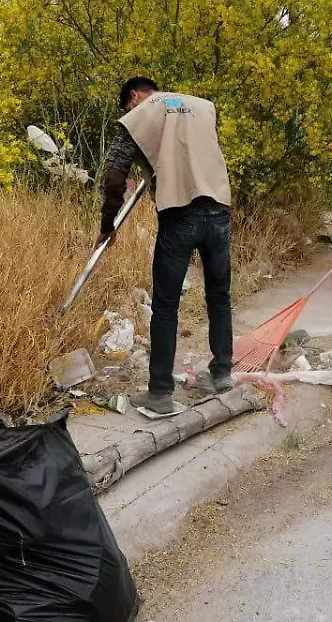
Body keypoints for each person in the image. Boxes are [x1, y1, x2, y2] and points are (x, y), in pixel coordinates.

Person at [100, 77, 234, 414]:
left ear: (133, 96)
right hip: (219, 212)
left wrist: (107, 225)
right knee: (219, 297)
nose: (129, 110)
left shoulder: (139, 115)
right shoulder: (204, 107)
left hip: (180, 216)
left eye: (126, 105)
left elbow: (115, 175)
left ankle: (160, 393)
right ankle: (222, 374)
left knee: (165, 308)